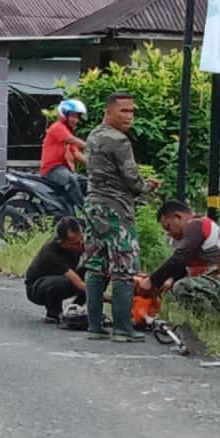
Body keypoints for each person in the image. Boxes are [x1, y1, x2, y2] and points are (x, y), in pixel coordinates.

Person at [82, 91, 158, 341]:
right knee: (123, 268)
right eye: (124, 111)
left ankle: (94, 325)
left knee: (95, 265)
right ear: (109, 111)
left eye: (132, 111)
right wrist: (148, 186)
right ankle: (122, 328)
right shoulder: (119, 141)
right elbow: (132, 180)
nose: (129, 116)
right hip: (117, 210)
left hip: (94, 207)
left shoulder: (94, 135)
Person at [139, 199, 220, 318]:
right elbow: (183, 264)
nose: (169, 233)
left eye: (168, 227)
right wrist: (170, 279)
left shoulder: (196, 225)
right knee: (168, 289)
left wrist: (151, 281)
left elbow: (179, 258)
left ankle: (215, 325)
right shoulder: (196, 229)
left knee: (183, 287)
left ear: (178, 217)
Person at [23, 216, 86, 322]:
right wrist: (111, 298)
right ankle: (54, 312)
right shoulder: (51, 253)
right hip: (37, 288)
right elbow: (79, 283)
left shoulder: (81, 241)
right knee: (62, 282)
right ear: (62, 242)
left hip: (65, 277)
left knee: (99, 272)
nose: (80, 245)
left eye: (81, 240)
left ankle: (75, 309)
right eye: (75, 244)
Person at [40, 98, 88, 211]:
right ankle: (86, 211)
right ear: (64, 115)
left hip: (63, 169)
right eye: (72, 116)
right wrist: (93, 146)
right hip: (51, 169)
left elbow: (76, 154)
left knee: (87, 182)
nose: (75, 120)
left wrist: (94, 164)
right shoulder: (58, 128)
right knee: (71, 180)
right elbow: (73, 140)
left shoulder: (67, 130)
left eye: (77, 116)